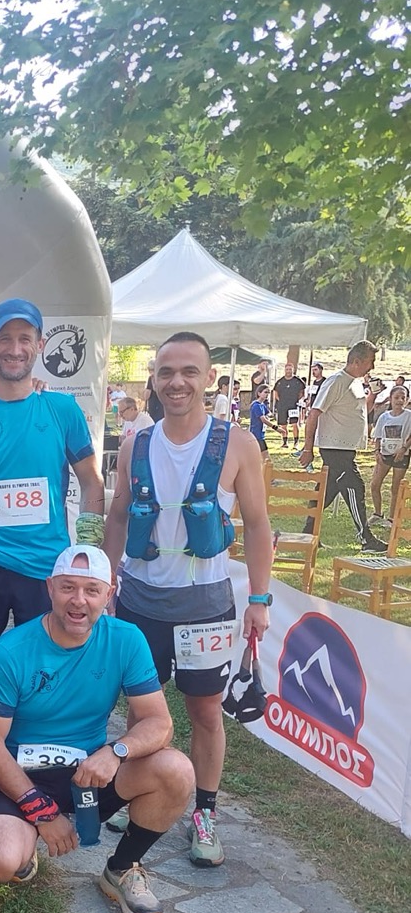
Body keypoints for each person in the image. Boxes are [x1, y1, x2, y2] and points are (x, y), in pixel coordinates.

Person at [103, 330, 273, 868]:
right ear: (153, 379)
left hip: (205, 607)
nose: (177, 382)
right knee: (143, 709)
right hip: (140, 602)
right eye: (166, 372)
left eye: (189, 372)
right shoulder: (136, 443)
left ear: (209, 379)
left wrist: (260, 598)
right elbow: (117, 516)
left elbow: (259, 525)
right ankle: (138, 789)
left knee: (205, 711)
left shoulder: (237, 444)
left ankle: (204, 811)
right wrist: (106, 582)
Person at [0, 546, 192, 913]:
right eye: (67, 588)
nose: (79, 600)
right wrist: (41, 812)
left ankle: (122, 867)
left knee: (176, 770)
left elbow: (160, 723)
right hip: (21, 775)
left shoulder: (126, 639)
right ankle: (27, 832)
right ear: (50, 588)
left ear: (109, 594)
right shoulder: (10, 651)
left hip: (90, 772)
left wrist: (116, 751)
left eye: (92, 590)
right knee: (0, 862)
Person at [0, 298, 105, 685]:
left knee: (46, 673)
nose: (15, 348)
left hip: (45, 566)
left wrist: (89, 550)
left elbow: (92, 480)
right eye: (5, 338)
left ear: (40, 345)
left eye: (25, 338)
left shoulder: (62, 409)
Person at [299, 340, 387, 553]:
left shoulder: (356, 382)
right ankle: (366, 539)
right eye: (370, 361)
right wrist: (308, 448)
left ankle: (308, 533)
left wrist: (373, 396)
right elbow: (314, 413)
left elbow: (359, 411)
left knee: (325, 492)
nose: (372, 366)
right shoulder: (336, 381)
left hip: (346, 448)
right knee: (355, 487)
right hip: (334, 448)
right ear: (356, 361)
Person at [370, 384, 411, 527]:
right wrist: (377, 452)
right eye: (396, 397)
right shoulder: (384, 417)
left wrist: (404, 448)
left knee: (395, 487)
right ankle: (377, 513)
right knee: (375, 484)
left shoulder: (409, 416)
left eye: (403, 398)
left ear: (407, 400)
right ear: (391, 399)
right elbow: (378, 436)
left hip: (401, 455)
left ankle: (392, 518)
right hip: (384, 455)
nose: (399, 401)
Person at [272, 362, 305, 448]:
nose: (288, 371)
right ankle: (285, 442)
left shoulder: (297, 381)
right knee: (283, 425)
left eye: (290, 369)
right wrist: (281, 402)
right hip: (282, 406)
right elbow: (276, 393)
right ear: (284, 370)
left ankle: (296, 442)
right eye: (287, 369)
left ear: (293, 370)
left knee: (294, 424)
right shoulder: (280, 382)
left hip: (293, 405)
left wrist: (296, 400)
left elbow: (302, 392)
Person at [248, 382, 271, 454]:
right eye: (265, 392)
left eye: (268, 392)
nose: (267, 394)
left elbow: (268, 413)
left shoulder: (262, 405)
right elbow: (263, 420)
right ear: (259, 393)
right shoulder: (256, 405)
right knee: (265, 455)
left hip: (261, 434)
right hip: (256, 434)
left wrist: (267, 416)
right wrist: (276, 428)